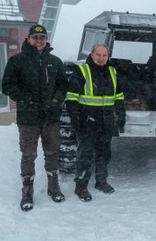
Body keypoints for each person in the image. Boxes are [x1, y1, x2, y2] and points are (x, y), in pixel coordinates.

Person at [2, 24, 68, 211]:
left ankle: (53, 186)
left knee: (52, 153)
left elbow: (64, 85)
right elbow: (7, 85)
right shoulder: (17, 61)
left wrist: (56, 99)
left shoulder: (55, 61)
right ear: (29, 39)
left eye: (42, 38)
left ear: (46, 40)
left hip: (51, 117)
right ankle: (27, 190)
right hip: (28, 119)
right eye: (35, 37)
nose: (39, 41)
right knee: (28, 154)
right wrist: (25, 99)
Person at [65, 43, 125, 202]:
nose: (101, 58)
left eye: (104, 55)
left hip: (106, 121)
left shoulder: (112, 71)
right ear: (92, 54)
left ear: (108, 57)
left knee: (104, 154)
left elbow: (119, 96)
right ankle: (81, 186)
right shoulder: (82, 71)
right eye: (98, 55)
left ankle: (101, 181)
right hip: (87, 122)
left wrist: (120, 115)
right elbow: (71, 97)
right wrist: (76, 119)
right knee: (85, 155)